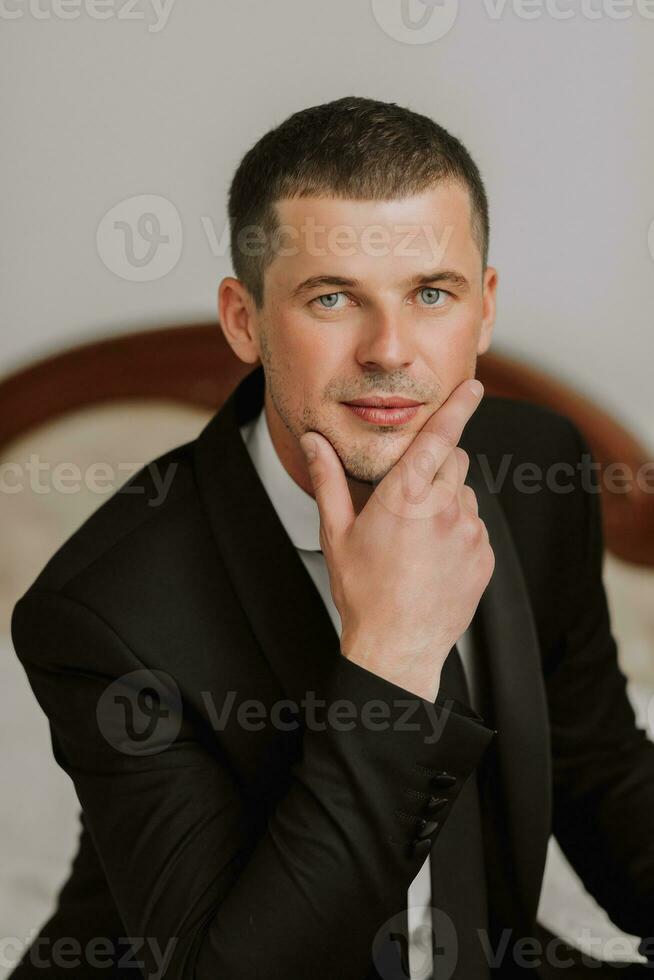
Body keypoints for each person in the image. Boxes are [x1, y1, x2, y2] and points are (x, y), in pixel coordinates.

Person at [10, 96, 654, 979]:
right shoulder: (105, 611)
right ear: (245, 320)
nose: (390, 350)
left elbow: (598, 769)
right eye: (332, 297)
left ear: (486, 307)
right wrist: (391, 653)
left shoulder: (537, 468)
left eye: (432, 293)